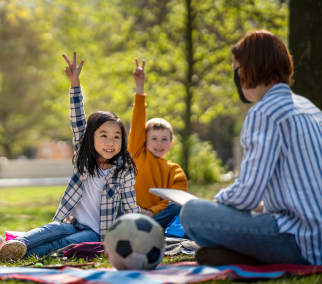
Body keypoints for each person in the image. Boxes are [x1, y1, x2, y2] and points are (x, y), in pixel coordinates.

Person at [0, 52, 139, 262]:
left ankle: (4, 254)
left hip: (98, 233)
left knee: (61, 244)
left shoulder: (123, 171)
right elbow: (77, 119)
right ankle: (1, 245)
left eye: (116, 137)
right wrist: (75, 83)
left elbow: (129, 206)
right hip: (72, 221)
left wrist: (139, 226)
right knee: (51, 229)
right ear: (91, 138)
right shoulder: (85, 157)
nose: (110, 142)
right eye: (104, 135)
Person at [180, 30, 322, 266]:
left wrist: (217, 203)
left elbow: (247, 194)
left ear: (249, 68)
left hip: (300, 242)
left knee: (192, 213)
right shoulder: (310, 108)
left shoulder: (264, 112)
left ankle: (245, 255)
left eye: (236, 69)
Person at [129, 58, 188, 228]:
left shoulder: (175, 171)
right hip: (130, 211)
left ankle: (148, 228)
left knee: (179, 206)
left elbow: (173, 199)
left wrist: (152, 212)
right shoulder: (137, 153)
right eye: (153, 139)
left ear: (170, 144)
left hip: (156, 217)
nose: (159, 143)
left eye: (164, 140)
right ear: (144, 140)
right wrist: (140, 87)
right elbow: (138, 120)